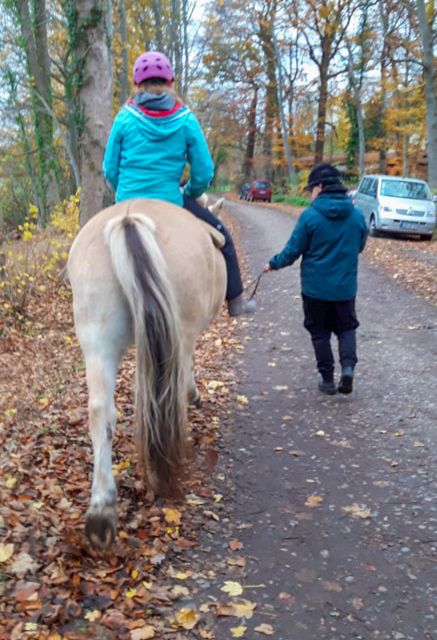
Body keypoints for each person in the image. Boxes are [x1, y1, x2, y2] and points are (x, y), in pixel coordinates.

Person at [102, 51, 255, 317]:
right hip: (171, 202)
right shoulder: (185, 119)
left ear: (137, 84)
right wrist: (190, 193)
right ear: (171, 82)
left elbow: (109, 169)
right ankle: (237, 302)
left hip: (126, 202)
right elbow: (204, 172)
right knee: (225, 238)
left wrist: (124, 191)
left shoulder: (124, 118)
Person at [263, 163, 368, 395]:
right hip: (345, 289)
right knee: (346, 328)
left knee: (319, 332)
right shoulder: (357, 215)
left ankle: (328, 379)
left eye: (311, 188)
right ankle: (348, 369)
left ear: (320, 187)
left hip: (315, 290)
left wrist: (273, 263)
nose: (310, 193)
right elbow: (359, 245)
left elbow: (293, 251)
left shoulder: (309, 216)